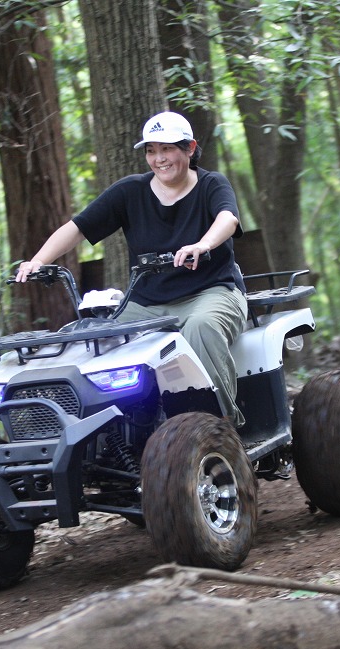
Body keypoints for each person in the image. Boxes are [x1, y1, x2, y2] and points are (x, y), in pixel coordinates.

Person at [15, 111, 248, 427]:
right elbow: (78, 227)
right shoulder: (130, 192)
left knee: (201, 327)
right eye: (151, 150)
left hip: (211, 292)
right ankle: (103, 433)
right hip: (146, 303)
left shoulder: (211, 184)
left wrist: (203, 244)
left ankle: (219, 426)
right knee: (96, 340)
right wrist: (39, 261)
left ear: (190, 148)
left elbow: (227, 219)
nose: (159, 158)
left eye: (167, 149)